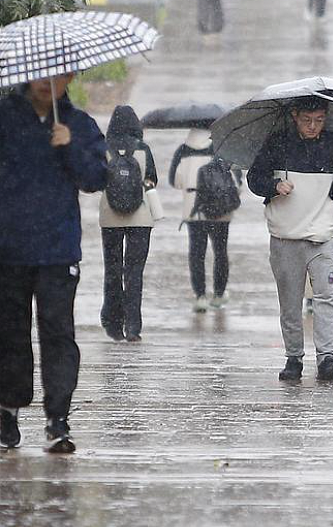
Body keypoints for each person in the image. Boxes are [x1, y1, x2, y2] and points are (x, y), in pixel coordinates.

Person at [0, 74, 107, 453]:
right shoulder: (6, 117)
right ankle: (8, 411)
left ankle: (58, 419)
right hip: (8, 248)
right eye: (41, 75)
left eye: (59, 75)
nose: (48, 82)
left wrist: (70, 146)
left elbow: (96, 178)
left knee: (58, 333)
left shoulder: (78, 124)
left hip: (58, 249)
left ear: (71, 78)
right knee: (10, 332)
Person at [246, 97, 333, 383]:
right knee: (290, 302)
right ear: (295, 116)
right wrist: (274, 186)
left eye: (319, 120)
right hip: (285, 236)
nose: (313, 126)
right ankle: (293, 358)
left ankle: (326, 358)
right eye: (307, 120)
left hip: (324, 237)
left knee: (326, 298)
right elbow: (254, 178)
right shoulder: (277, 144)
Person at [98, 106, 157, 343]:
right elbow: (152, 180)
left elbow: (96, 178)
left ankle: (113, 323)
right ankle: (133, 326)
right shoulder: (143, 150)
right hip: (140, 217)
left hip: (109, 217)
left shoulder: (103, 149)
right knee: (134, 272)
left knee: (112, 270)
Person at [170, 129, 242, 312]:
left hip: (194, 210)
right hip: (221, 211)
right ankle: (218, 294)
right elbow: (237, 181)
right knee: (220, 252)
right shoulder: (223, 150)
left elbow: (175, 181)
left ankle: (200, 296)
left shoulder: (183, 151)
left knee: (197, 253)